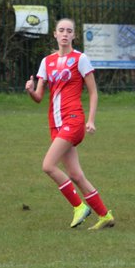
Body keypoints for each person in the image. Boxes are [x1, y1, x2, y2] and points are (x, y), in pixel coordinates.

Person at [25, 17, 115, 230]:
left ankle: (79, 207)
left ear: (74, 35)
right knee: (75, 175)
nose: (65, 34)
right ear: (55, 34)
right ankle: (105, 215)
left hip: (73, 120)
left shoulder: (80, 59)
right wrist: (30, 90)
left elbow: (93, 92)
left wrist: (91, 120)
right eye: (61, 30)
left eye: (69, 31)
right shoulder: (46, 62)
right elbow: (39, 97)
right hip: (55, 124)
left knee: (48, 165)